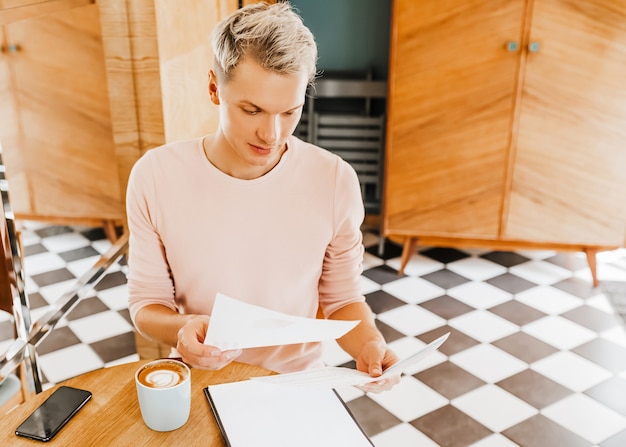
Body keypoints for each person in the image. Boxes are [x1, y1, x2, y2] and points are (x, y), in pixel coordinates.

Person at [126, 1, 399, 393]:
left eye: (290, 111)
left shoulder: (334, 180)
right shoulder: (155, 176)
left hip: (299, 383)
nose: (271, 135)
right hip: (203, 384)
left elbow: (342, 301)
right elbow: (147, 305)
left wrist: (371, 344)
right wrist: (182, 327)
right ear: (213, 88)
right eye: (251, 110)